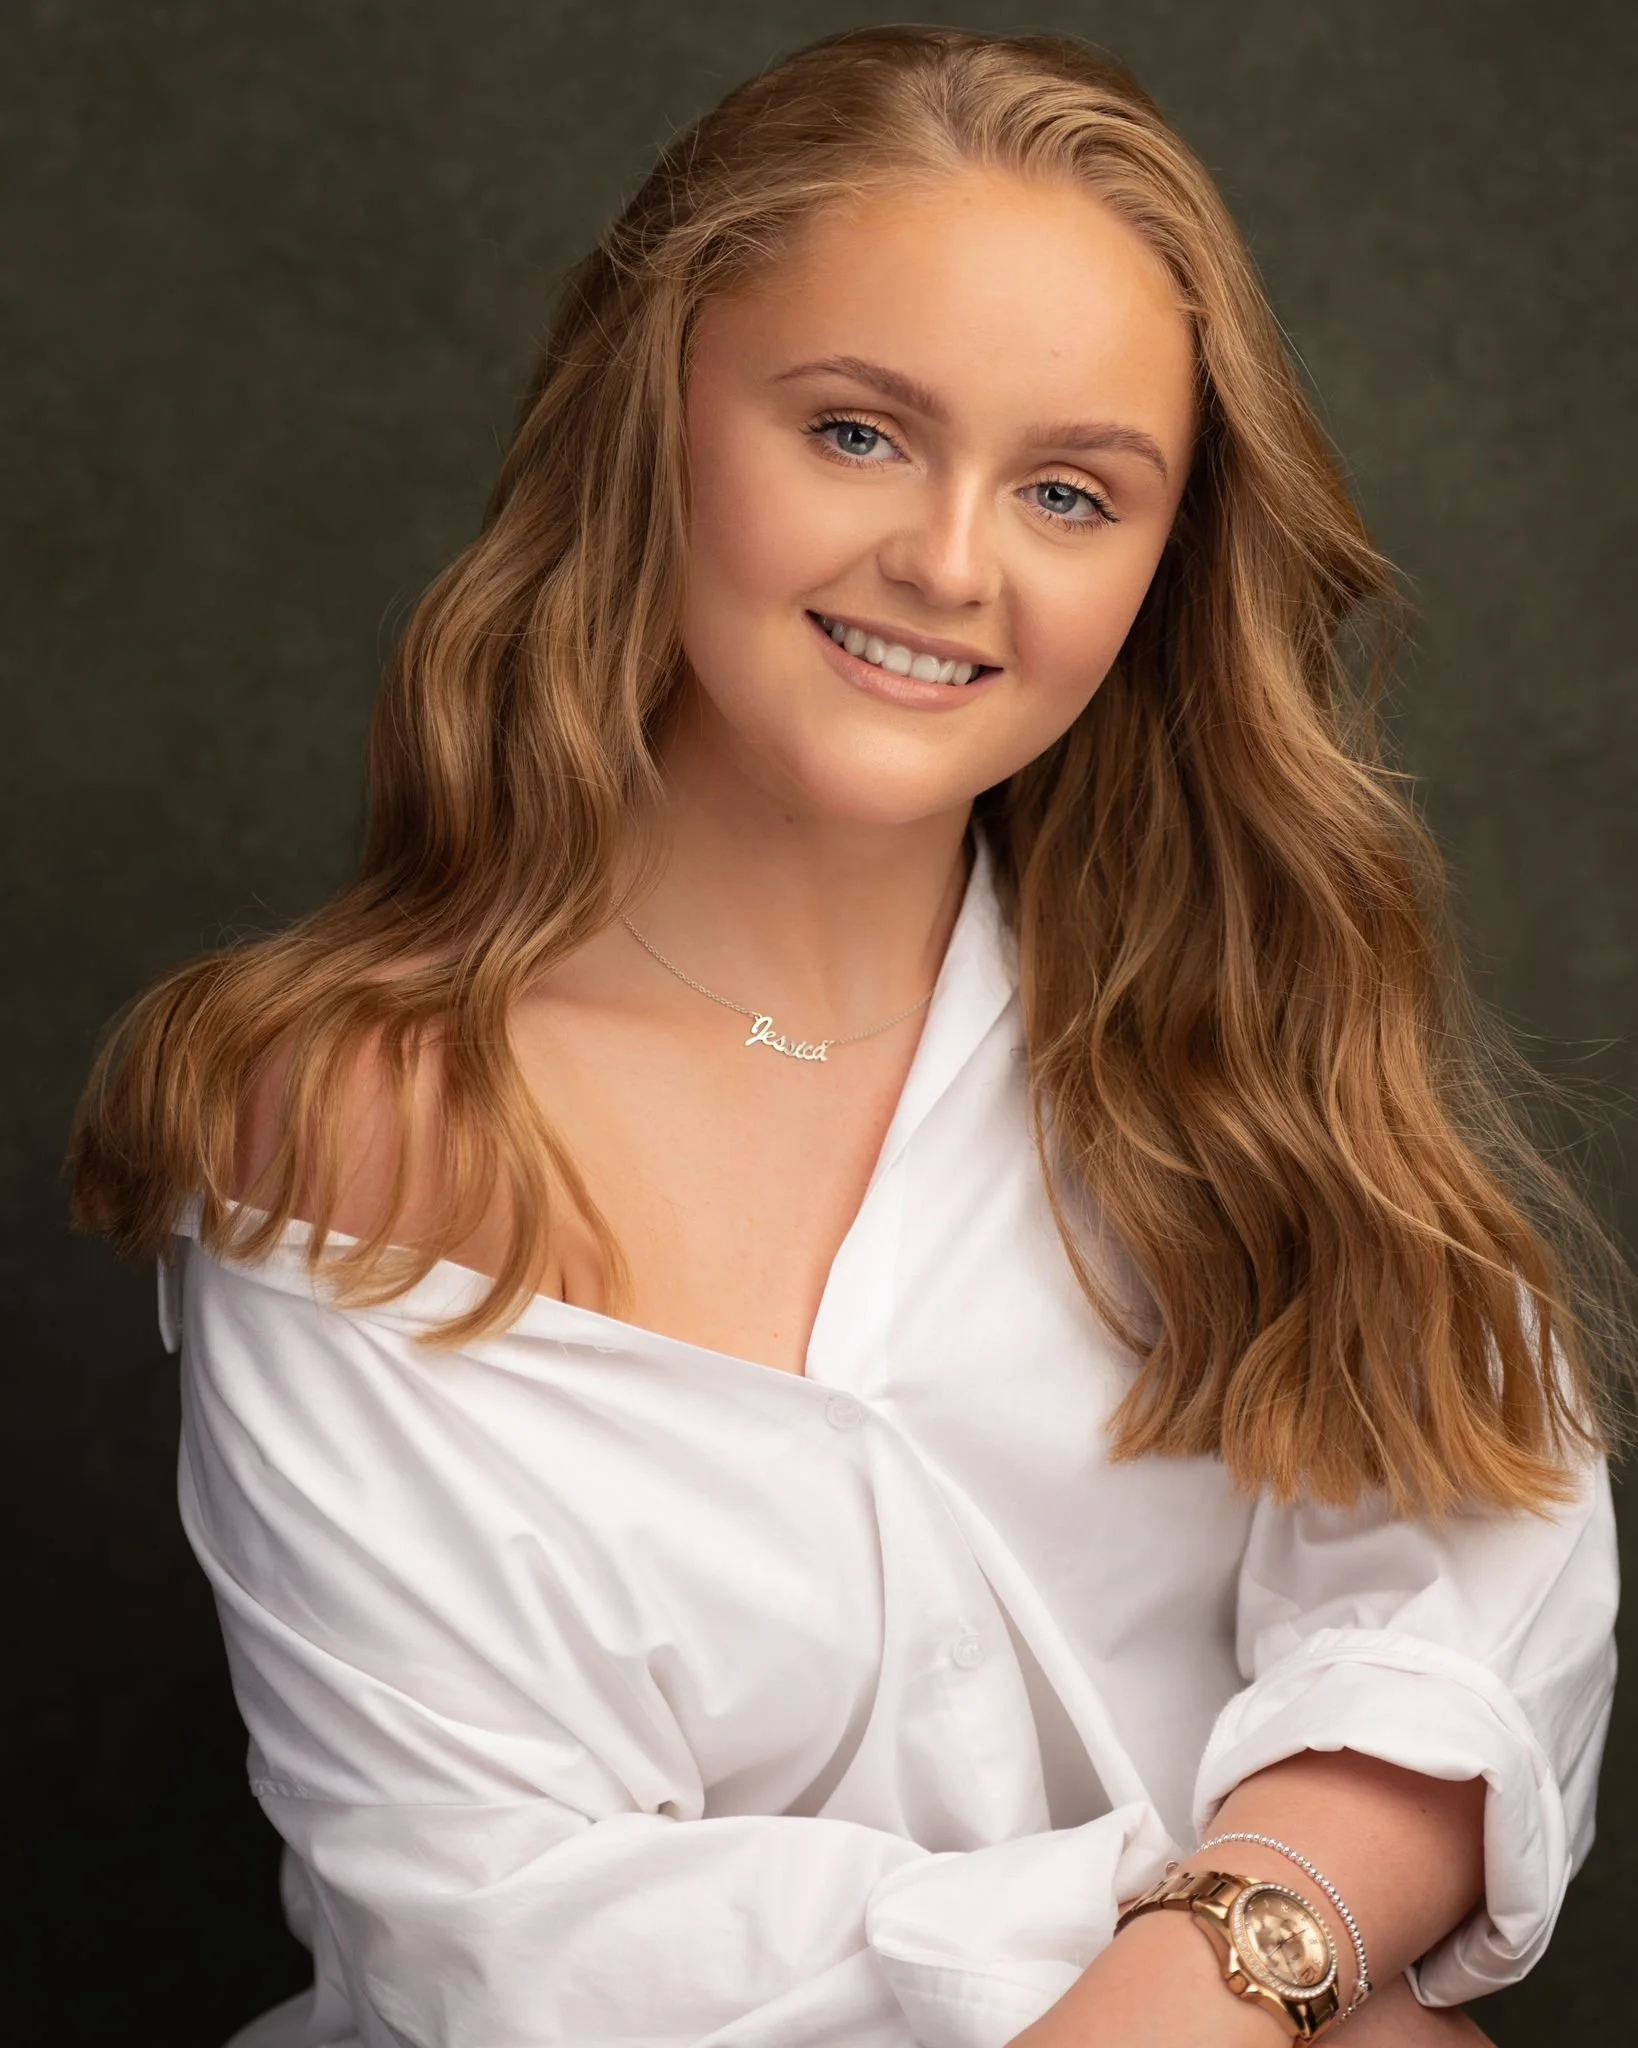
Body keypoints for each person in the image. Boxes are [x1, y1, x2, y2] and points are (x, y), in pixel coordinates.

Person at [70, 27, 1624, 2048]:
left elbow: (1459, 1594)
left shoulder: (1237, 1029)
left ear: (1159, 568)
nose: (952, 563)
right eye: (860, 432)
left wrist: (1239, 1943)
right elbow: (499, 1938)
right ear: (660, 415)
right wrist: (1256, 1981)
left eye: (1070, 490)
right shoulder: (349, 1123)